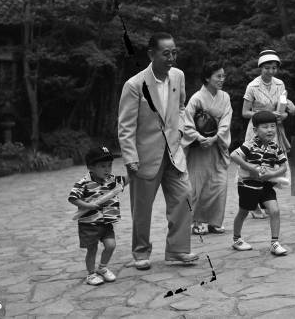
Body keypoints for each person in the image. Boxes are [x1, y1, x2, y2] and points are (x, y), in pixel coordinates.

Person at [118, 32, 198, 270]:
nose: (171, 58)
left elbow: (181, 107)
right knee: (142, 209)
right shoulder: (134, 85)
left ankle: (178, 250)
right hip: (145, 157)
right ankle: (141, 252)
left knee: (185, 196)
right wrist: (130, 158)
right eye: (166, 53)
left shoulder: (178, 76)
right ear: (151, 54)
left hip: (174, 153)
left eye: (174, 52)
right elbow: (125, 126)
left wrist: (181, 129)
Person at [242, 49, 295, 218]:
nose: (271, 71)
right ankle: (253, 205)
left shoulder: (280, 84)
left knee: (272, 165)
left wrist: (284, 115)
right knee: (256, 165)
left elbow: (283, 107)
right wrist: (265, 117)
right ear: (261, 68)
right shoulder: (252, 86)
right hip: (256, 130)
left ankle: (265, 200)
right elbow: (245, 112)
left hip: (274, 131)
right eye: (267, 68)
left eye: (274, 68)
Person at [181, 62, 233, 235]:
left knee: (219, 183)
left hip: (216, 145)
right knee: (198, 184)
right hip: (199, 148)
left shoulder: (225, 97)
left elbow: (226, 120)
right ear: (207, 78)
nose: (222, 79)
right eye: (218, 76)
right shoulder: (196, 98)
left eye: (223, 76)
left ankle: (214, 221)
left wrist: (216, 137)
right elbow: (187, 123)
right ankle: (196, 221)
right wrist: (200, 138)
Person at [230, 110, 289, 256]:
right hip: (248, 185)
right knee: (243, 212)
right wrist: (252, 168)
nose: (270, 130)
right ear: (255, 130)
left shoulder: (276, 147)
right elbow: (234, 156)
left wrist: (272, 174)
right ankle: (236, 239)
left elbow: (283, 167)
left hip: (266, 185)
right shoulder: (249, 144)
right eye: (265, 127)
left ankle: (275, 243)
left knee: (274, 210)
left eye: (272, 126)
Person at [68, 146, 129, 285]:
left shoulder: (112, 180)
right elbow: (72, 198)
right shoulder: (83, 183)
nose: (107, 169)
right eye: (102, 166)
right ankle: (90, 274)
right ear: (91, 167)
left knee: (111, 245)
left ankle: (102, 268)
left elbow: (126, 180)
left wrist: (134, 169)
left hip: (106, 222)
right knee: (92, 249)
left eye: (109, 165)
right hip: (89, 224)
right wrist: (88, 206)